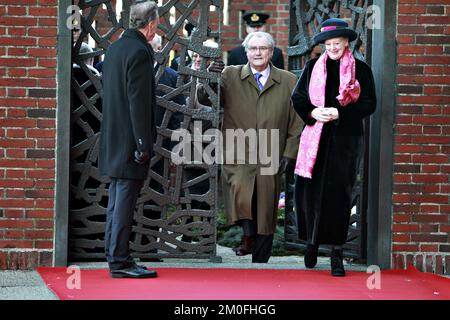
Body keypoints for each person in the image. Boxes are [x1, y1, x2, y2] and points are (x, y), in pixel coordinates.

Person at [202, 32, 302, 263]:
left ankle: (261, 259)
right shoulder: (230, 74)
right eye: (253, 48)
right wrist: (209, 77)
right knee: (240, 191)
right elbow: (206, 98)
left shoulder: (288, 80)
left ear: (271, 52)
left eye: (263, 48)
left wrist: (289, 152)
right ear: (246, 52)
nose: (258, 53)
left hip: (272, 150)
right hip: (238, 148)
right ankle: (247, 235)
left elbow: (297, 120)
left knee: (266, 205)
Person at [291, 18, 377, 276]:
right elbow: (298, 98)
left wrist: (339, 113)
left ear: (346, 42)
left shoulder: (360, 70)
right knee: (310, 195)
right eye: (328, 44)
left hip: (345, 142)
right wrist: (313, 112)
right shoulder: (311, 67)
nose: (332, 48)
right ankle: (311, 243)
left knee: (339, 197)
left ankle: (337, 253)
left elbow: (369, 104)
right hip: (315, 139)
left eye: (336, 43)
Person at [99, 0, 159, 279]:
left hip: (113, 138)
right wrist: (143, 145)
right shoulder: (140, 51)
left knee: (116, 200)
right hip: (130, 142)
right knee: (123, 202)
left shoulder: (115, 48)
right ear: (150, 24)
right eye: (157, 23)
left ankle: (115, 255)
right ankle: (120, 261)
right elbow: (138, 103)